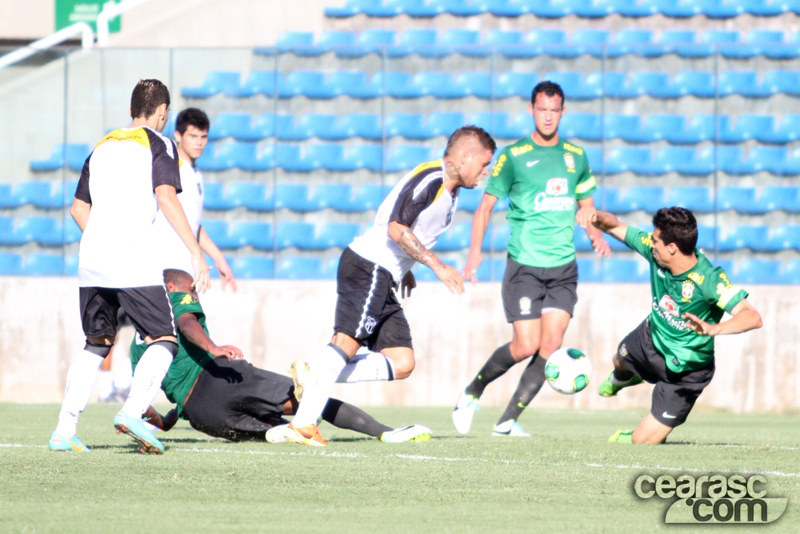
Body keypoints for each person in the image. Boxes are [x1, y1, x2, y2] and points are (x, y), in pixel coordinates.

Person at [284, 125, 497, 447]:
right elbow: (396, 228)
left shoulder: (448, 191)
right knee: (347, 342)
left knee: (402, 362)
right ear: (465, 157)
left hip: (386, 274)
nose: (485, 173)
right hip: (369, 266)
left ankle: (316, 375)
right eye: (483, 165)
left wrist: (407, 268)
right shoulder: (432, 179)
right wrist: (436, 265)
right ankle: (302, 425)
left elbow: (406, 231)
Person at [48, 79, 211, 454]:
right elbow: (166, 197)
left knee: (96, 343)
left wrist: (102, 241)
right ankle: (134, 412)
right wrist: (195, 252)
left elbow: (78, 209)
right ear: (162, 113)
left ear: (130, 111)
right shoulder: (161, 143)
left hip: (91, 260)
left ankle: (64, 430)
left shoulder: (102, 145)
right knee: (164, 340)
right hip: (132, 257)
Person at [452, 81, 610, 437]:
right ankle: (472, 392)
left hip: (563, 268)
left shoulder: (576, 156)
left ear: (563, 112)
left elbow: (587, 207)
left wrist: (594, 232)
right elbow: (485, 209)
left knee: (550, 345)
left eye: (554, 110)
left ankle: (507, 421)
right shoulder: (513, 156)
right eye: (542, 109)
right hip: (524, 267)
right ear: (532, 110)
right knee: (525, 346)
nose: (548, 116)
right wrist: (474, 254)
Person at [131, 269, 431, 446]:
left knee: (280, 434)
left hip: (202, 417)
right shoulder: (173, 300)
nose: (194, 294)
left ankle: (281, 430)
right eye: (191, 289)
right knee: (314, 400)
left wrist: (168, 420)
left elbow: (142, 400)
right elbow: (187, 323)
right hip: (222, 379)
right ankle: (386, 433)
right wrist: (212, 348)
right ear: (170, 288)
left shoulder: (136, 344)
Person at [591, 207, 762, 444]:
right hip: (651, 338)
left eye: (656, 240)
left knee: (643, 442)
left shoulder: (709, 280)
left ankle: (638, 434)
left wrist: (714, 329)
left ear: (672, 247)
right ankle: (627, 376)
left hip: (686, 371)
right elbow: (612, 225)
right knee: (618, 360)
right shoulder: (654, 252)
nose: (651, 244)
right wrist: (593, 215)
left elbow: (752, 316)